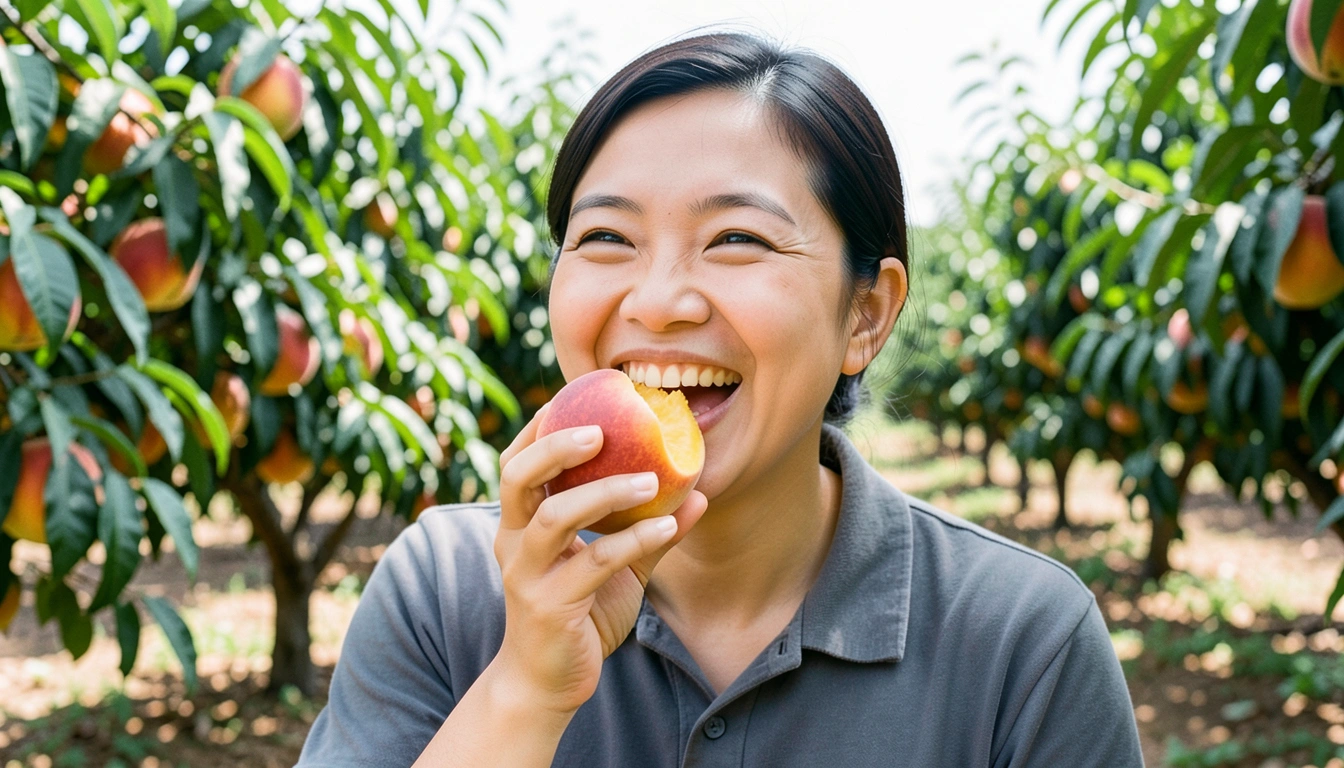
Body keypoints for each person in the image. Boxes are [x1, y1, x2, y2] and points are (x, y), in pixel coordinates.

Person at [296, 31, 1144, 768]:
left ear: (866, 314)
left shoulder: (1019, 641)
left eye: (736, 238)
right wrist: (522, 693)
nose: (659, 299)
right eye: (605, 238)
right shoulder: (446, 591)